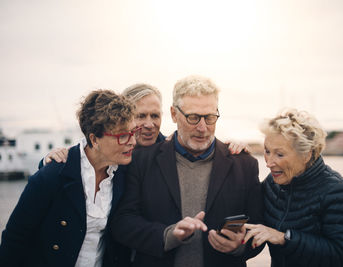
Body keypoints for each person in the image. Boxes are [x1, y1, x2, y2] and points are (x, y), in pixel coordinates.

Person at [111, 75, 264, 267]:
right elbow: (123, 223)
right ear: (174, 114)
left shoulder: (244, 164)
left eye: (209, 117)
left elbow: (259, 227)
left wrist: (239, 246)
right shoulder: (141, 161)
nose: (202, 127)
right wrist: (167, 235)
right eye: (193, 118)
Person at [0, 90, 138, 267]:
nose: (133, 141)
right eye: (123, 136)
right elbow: (14, 240)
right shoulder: (51, 177)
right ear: (94, 140)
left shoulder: (123, 172)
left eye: (133, 132)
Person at [243, 109, 343, 267]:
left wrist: (284, 238)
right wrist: (235, 156)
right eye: (267, 151)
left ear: (306, 155)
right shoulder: (272, 183)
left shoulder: (339, 191)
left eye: (279, 154)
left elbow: (341, 254)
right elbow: (250, 213)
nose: (269, 163)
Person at [42, 83, 245, 164]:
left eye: (155, 116)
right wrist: (51, 159)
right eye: (141, 116)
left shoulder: (167, 149)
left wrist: (230, 148)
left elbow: (199, 147)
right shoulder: (108, 149)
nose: (149, 124)